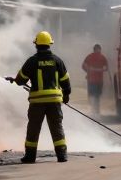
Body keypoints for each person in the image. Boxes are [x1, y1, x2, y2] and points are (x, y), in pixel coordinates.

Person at [6, 30, 72, 164]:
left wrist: (15, 80)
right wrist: (66, 95)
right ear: (49, 44)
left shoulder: (32, 61)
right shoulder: (57, 60)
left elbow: (21, 79)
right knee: (56, 127)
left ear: (36, 45)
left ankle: (30, 157)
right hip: (54, 101)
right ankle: (62, 155)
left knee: (33, 129)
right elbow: (65, 81)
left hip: (37, 102)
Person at [82, 44, 109, 116]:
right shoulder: (92, 57)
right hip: (93, 80)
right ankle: (94, 110)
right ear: (96, 49)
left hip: (97, 81)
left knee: (96, 96)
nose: (98, 51)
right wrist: (89, 71)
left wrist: (90, 70)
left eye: (99, 49)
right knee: (94, 95)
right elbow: (83, 65)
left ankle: (95, 110)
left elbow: (106, 68)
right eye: (98, 49)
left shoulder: (101, 57)